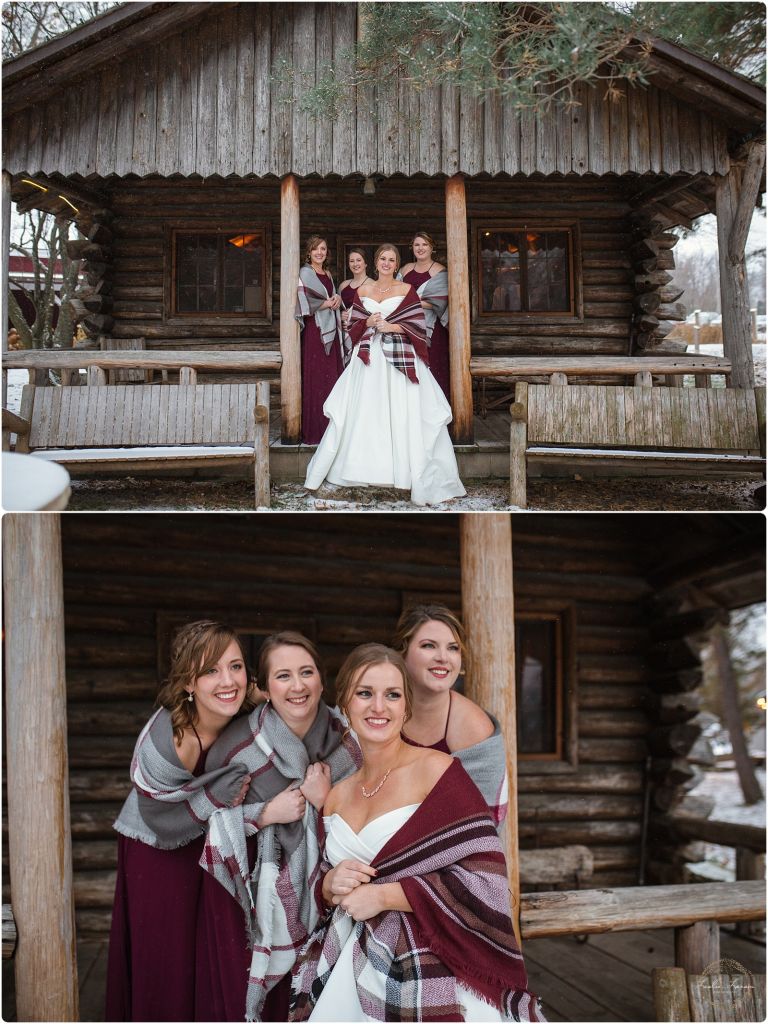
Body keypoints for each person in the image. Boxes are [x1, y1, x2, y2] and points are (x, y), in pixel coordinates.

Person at [291, 644, 544, 1022]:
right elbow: (318, 884)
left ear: (406, 707)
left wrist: (386, 895)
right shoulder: (337, 794)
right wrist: (329, 884)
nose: (379, 707)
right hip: (348, 955)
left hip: (430, 957)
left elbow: (487, 882)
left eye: (392, 695)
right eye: (365, 693)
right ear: (344, 703)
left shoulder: (438, 772)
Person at [195, 631, 360, 1022]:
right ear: (264, 687)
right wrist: (267, 813)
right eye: (283, 676)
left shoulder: (349, 739)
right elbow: (212, 823)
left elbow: (367, 814)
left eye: (306, 673)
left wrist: (325, 801)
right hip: (252, 902)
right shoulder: (234, 748)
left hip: (333, 892)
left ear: (322, 678)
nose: (298, 686)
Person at [106, 620, 258, 1022]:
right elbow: (159, 812)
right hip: (156, 844)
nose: (228, 681)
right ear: (188, 683)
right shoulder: (176, 739)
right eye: (211, 670)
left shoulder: (248, 708)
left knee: (204, 950)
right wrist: (216, 797)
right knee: (168, 955)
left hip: (206, 838)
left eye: (236, 666)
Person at [304, 243, 465, 506]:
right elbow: (353, 324)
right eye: (382, 259)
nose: (386, 263)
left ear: (396, 264)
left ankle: (403, 471)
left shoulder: (406, 290)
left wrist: (391, 325)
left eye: (391, 260)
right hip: (368, 357)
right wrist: (366, 323)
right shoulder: (364, 290)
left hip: (399, 357)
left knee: (402, 410)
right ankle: (361, 467)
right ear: (376, 262)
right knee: (366, 410)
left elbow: (418, 325)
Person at [392, 603, 509, 830]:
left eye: (453, 648)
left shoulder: (473, 728)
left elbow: (484, 825)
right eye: (428, 646)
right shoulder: (380, 711)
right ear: (402, 653)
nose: (443, 658)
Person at [295, 236, 344, 444]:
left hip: (331, 331)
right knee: (315, 378)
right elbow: (304, 301)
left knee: (330, 378)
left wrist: (337, 299)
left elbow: (330, 297)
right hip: (316, 332)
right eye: (315, 249)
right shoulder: (305, 273)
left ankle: (331, 431)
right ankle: (315, 432)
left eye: (323, 249)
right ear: (309, 252)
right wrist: (327, 303)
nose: (319, 253)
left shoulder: (328, 274)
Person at [399, 231, 451, 400]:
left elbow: (439, 301)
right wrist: (414, 301)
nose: (420, 248)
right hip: (407, 328)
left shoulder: (440, 271)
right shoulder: (405, 269)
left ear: (432, 247)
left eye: (424, 245)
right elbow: (396, 295)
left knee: (433, 369)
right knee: (412, 370)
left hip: (433, 330)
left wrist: (411, 301)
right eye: (416, 245)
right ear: (412, 248)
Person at [338, 247, 371, 358]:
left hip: (364, 333)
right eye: (351, 261)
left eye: (358, 260)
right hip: (345, 333)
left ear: (365, 263)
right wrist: (340, 315)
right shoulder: (343, 286)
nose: (355, 264)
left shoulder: (372, 285)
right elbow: (338, 309)